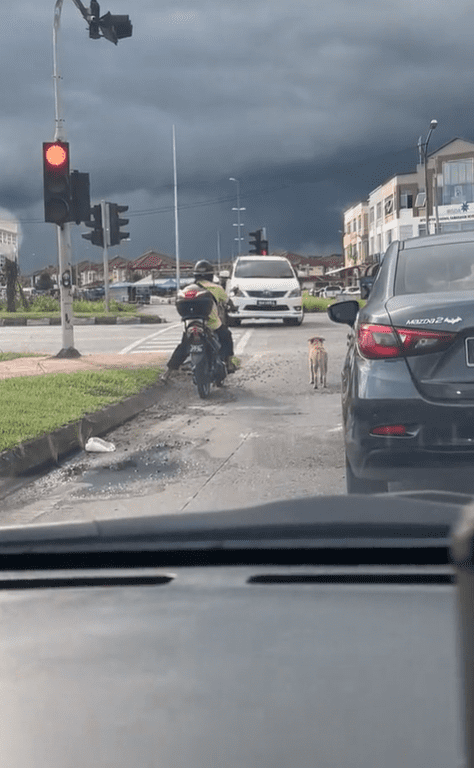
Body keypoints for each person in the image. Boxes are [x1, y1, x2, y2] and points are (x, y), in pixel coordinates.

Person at [162, 260, 236, 382]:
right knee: (226, 335)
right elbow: (229, 302)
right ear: (211, 275)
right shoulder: (216, 288)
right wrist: (233, 307)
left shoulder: (187, 289)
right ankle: (228, 363)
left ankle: (168, 372)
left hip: (191, 324)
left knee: (184, 346)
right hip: (211, 324)